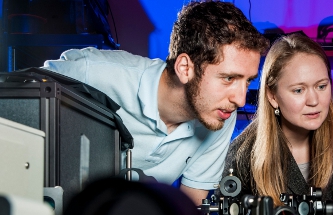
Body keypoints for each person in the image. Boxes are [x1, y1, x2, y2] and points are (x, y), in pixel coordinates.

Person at [42, 0, 268, 204]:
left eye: (247, 81)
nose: (239, 100)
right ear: (185, 68)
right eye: (228, 78)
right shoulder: (95, 73)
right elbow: (19, 97)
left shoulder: (219, 117)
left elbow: (188, 209)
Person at [223, 34, 333, 205]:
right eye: (298, 90)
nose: (314, 101)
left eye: (321, 86)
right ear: (272, 96)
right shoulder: (240, 156)